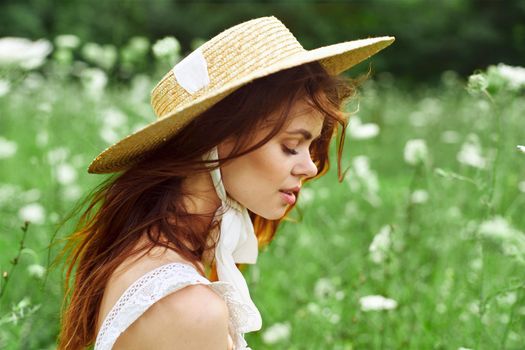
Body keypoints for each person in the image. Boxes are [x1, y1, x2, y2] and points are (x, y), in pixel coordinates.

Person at [56, 16, 394, 350]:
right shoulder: (188, 307)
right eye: (291, 146)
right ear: (217, 139)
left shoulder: (150, 257)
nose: (308, 167)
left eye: (311, 147)